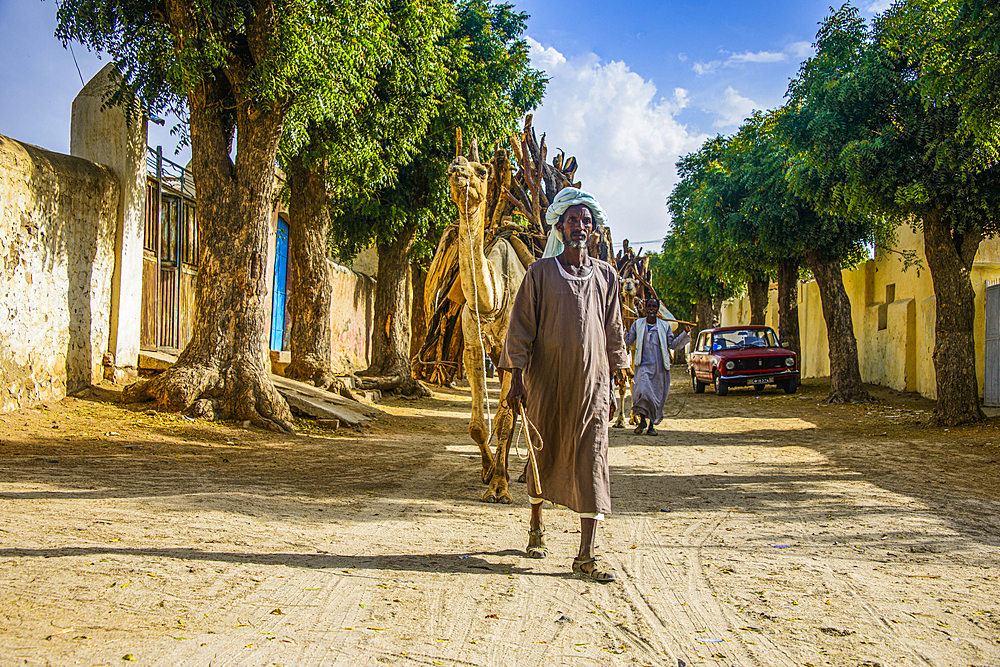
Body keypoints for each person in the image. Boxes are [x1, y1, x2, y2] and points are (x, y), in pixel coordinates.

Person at [500, 187, 629, 583]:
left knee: (592, 458)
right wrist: (517, 378)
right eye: (573, 220)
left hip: (592, 386)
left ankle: (586, 556)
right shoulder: (540, 274)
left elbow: (613, 329)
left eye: (586, 221)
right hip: (546, 382)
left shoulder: (607, 276)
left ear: (594, 230)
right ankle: (536, 522)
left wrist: (618, 371)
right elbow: (520, 330)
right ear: (560, 225)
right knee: (545, 452)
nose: (580, 226)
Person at [625, 297, 691, 435]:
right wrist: (619, 329)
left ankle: (650, 426)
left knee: (655, 398)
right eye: (649, 306)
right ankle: (642, 420)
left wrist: (685, 333)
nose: (652, 309)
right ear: (646, 308)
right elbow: (628, 340)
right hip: (642, 366)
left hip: (659, 368)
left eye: (654, 306)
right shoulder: (637, 324)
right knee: (642, 392)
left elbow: (672, 344)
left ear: (657, 309)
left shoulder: (664, 326)